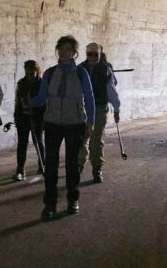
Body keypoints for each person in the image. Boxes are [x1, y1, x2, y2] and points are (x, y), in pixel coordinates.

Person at [30, 35, 95, 219]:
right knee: (50, 165)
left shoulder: (82, 74)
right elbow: (42, 97)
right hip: (52, 123)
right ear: (57, 51)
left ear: (75, 53)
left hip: (75, 123)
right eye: (61, 49)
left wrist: (91, 122)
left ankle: (73, 199)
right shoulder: (50, 73)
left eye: (68, 50)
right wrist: (30, 102)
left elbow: (89, 98)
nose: (64, 53)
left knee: (72, 165)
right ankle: (50, 204)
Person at [77, 42, 121, 183]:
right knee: (81, 140)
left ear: (100, 54)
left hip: (100, 109)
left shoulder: (105, 69)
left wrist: (117, 108)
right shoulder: (79, 69)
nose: (93, 57)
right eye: (90, 54)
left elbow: (112, 90)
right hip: (82, 110)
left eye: (96, 54)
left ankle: (97, 169)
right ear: (86, 54)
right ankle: (79, 166)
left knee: (96, 142)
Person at [13, 59, 45, 181]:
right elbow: (17, 102)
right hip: (23, 117)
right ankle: (20, 169)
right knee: (22, 143)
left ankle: (42, 166)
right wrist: (17, 116)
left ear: (36, 71)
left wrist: (43, 118)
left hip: (37, 117)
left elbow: (44, 101)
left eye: (31, 72)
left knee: (38, 142)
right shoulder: (21, 84)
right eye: (27, 72)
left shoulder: (42, 84)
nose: (29, 75)